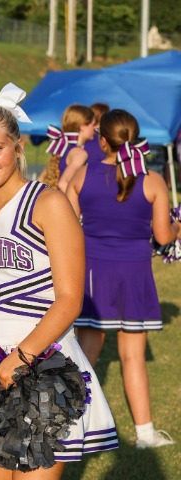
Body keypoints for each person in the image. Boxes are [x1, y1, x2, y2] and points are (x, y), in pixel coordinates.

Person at [0, 82, 118, 480]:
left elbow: (69, 299)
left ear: (17, 147)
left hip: (44, 363)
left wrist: (22, 356)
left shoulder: (48, 203)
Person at [66, 109, 180, 450]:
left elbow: (66, 229)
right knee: (133, 357)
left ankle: (68, 428)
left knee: (85, 356)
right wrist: (177, 226)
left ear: (103, 141)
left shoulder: (82, 175)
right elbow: (163, 236)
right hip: (135, 275)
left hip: (92, 275)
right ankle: (145, 435)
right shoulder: (153, 180)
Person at [38, 104, 94, 192]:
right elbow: (63, 183)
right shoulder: (79, 153)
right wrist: (75, 200)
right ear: (82, 126)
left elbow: (40, 180)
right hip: (63, 199)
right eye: (93, 124)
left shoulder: (61, 148)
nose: (95, 128)